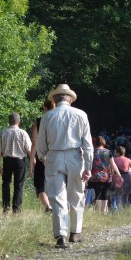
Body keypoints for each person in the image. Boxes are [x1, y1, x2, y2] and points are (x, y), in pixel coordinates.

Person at [36, 84, 94, 248]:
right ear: (70, 99)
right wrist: (88, 166)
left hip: (54, 156)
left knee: (57, 197)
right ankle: (75, 232)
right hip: (75, 156)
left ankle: (61, 234)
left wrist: (44, 158)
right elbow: (88, 144)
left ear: (54, 100)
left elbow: (41, 144)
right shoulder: (81, 114)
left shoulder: (47, 116)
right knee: (76, 194)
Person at [0, 113, 32, 213]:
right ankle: (16, 208)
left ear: (9, 121)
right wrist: (33, 162)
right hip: (20, 161)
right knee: (19, 184)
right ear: (19, 121)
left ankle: (6, 206)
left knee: (6, 183)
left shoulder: (3, 132)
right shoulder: (23, 133)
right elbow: (29, 150)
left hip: (7, 160)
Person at [29, 99, 55, 213]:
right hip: (55, 155)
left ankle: (48, 206)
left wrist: (31, 162)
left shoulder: (39, 121)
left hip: (41, 156)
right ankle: (54, 206)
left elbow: (34, 143)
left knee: (40, 184)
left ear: (44, 108)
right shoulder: (58, 119)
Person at [87, 136, 121, 214]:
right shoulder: (108, 152)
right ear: (103, 142)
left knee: (97, 193)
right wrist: (119, 175)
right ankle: (104, 211)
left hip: (95, 177)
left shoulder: (92, 152)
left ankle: (98, 211)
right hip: (106, 177)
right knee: (105, 193)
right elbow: (113, 164)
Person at [111, 145, 131, 210]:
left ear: (118, 152)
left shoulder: (114, 160)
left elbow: (111, 169)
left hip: (116, 178)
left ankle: (119, 210)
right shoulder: (128, 160)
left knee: (118, 196)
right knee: (125, 196)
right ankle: (125, 210)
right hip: (126, 179)